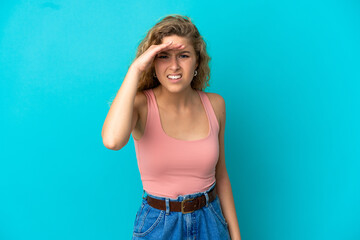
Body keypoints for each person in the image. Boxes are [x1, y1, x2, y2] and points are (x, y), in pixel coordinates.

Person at [101, 14, 241, 240]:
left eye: (183, 56)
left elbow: (221, 175)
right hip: (159, 225)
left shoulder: (215, 105)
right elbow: (112, 141)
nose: (174, 66)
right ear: (152, 61)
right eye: (163, 56)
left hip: (211, 222)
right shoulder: (140, 105)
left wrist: (236, 236)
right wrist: (136, 69)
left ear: (197, 61)